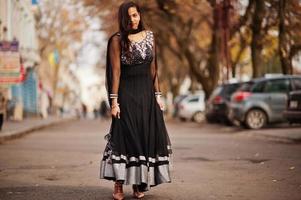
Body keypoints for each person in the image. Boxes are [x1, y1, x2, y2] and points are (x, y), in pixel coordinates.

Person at [99, 1, 172, 200]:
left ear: (139, 15)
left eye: (135, 15)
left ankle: (140, 184)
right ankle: (119, 184)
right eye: (128, 16)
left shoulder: (150, 36)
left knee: (144, 138)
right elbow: (115, 72)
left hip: (146, 96)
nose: (132, 19)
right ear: (122, 19)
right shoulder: (116, 40)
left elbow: (154, 69)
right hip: (126, 96)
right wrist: (114, 102)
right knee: (125, 138)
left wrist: (158, 96)